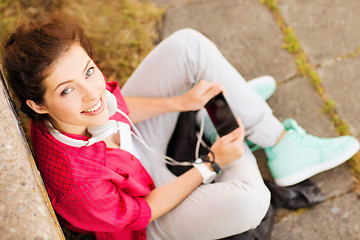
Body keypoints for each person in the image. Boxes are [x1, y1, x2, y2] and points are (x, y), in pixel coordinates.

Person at [2, 13, 359, 240]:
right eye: (67, 90)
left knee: (187, 45)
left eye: (89, 71)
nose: (91, 92)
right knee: (253, 202)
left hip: (140, 154)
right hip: (148, 219)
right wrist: (210, 165)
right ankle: (230, 118)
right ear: (37, 105)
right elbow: (141, 213)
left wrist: (181, 102)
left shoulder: (79, 105)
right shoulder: (78, 183)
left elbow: (117, 106)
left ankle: (276, 143)